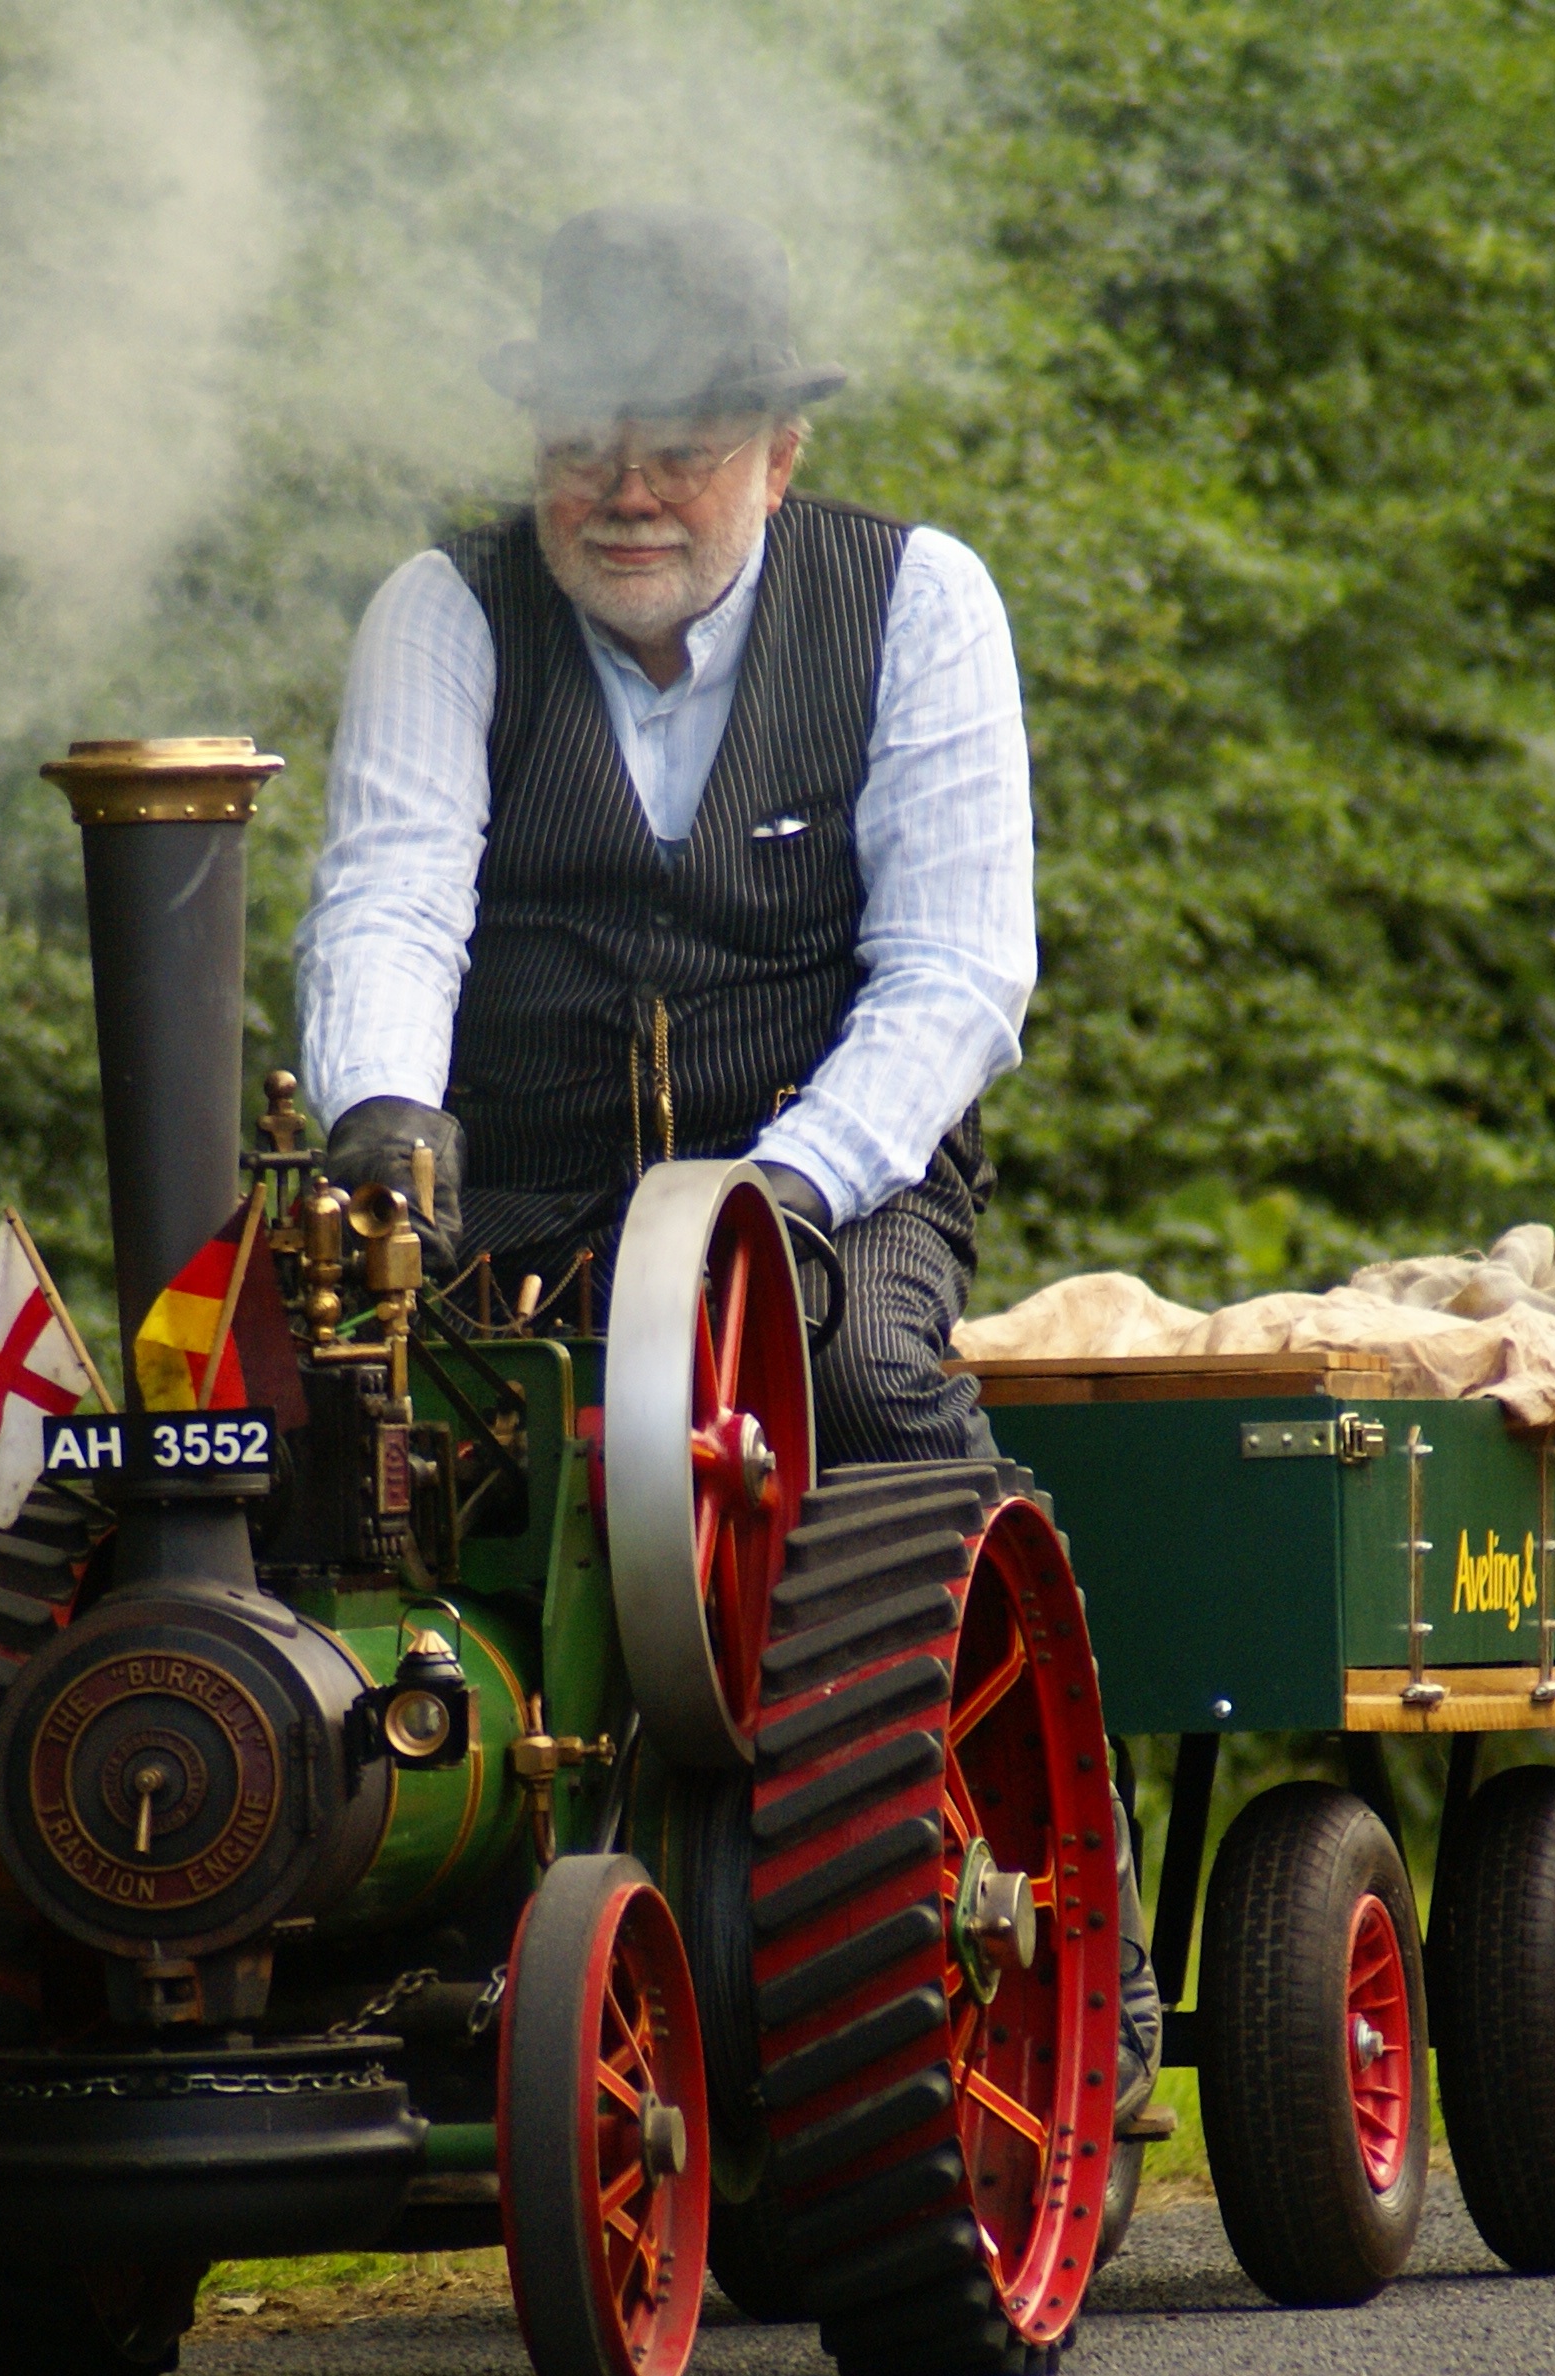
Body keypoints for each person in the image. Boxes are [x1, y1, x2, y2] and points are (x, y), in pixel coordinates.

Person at [293, 202, 1037, 1467]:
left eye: (681, 450)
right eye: (583, 446)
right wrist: (385, 1119)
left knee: (854, 1385)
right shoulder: (441, 612)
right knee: (305, 1418)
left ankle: (956, 1635)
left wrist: (782, 1193)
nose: (626, 495)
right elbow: (389, 904)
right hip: (511, 1203)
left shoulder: (921, 601)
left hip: (831, 1202)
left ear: (779, 457)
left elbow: (953, 975)